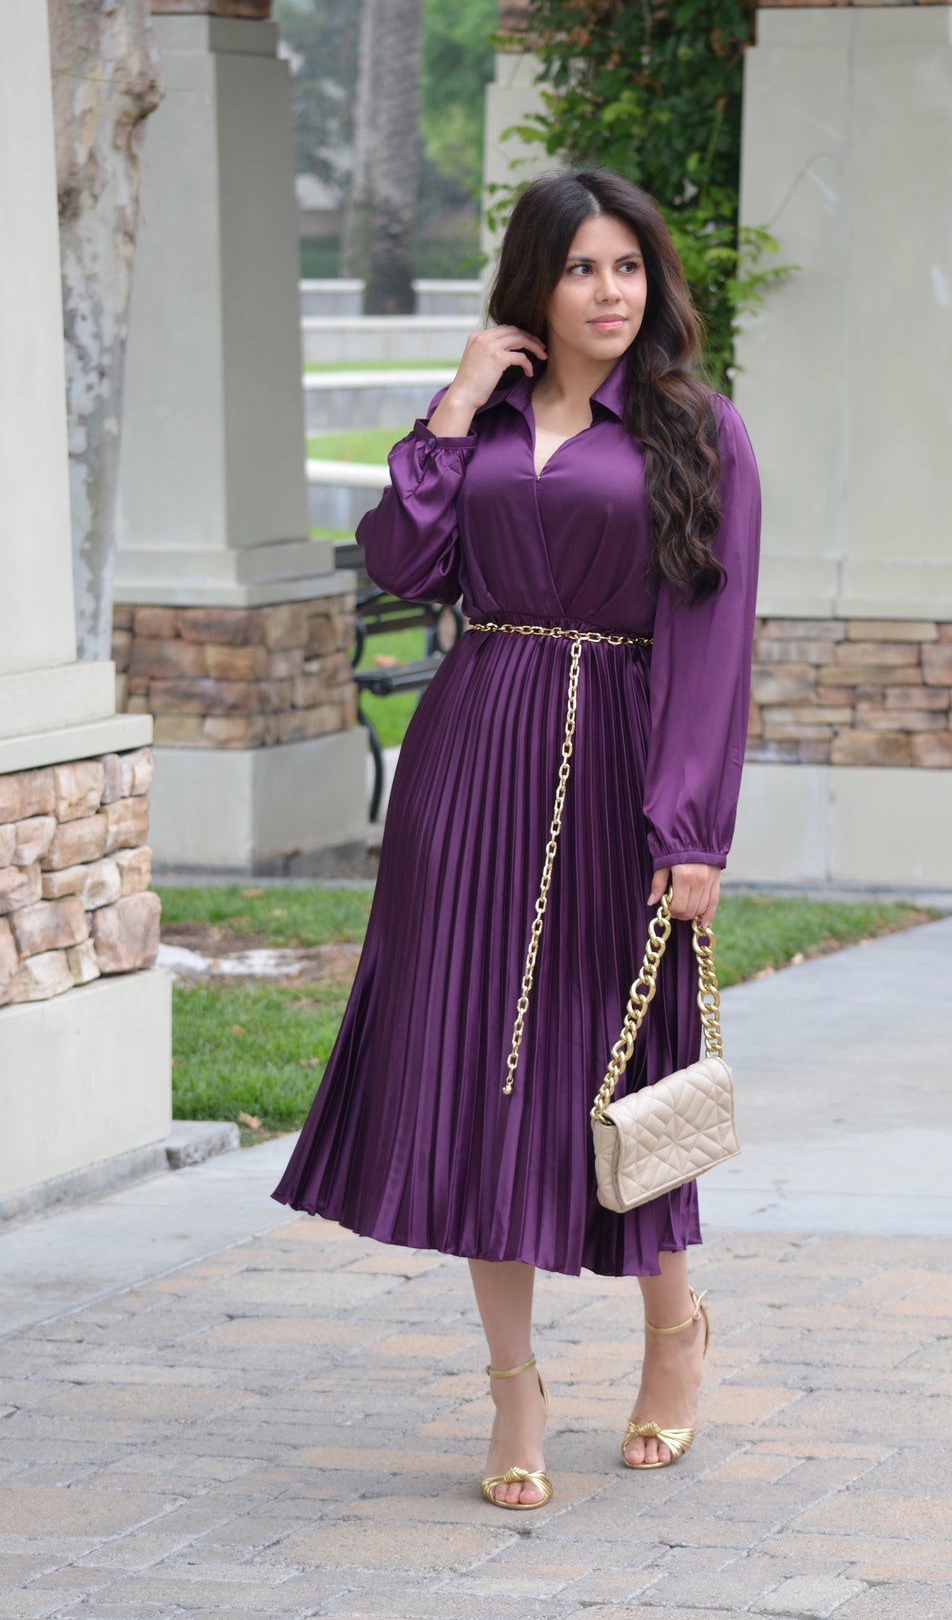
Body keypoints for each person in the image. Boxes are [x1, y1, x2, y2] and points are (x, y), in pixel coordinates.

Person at [271, 166, 761, 1510]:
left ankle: (672, 1334)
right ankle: (514, 1387)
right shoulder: (478, 424)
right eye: (583, 268)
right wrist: (451, 404)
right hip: (470, 766)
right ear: (533, 286)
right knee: (478, 1076)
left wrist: (691, 829)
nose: (611, 293)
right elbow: (400, 564)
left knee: (623, 1063)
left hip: (617, 772)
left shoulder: (694, 429)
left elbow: (712, 641)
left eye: (629, 268)